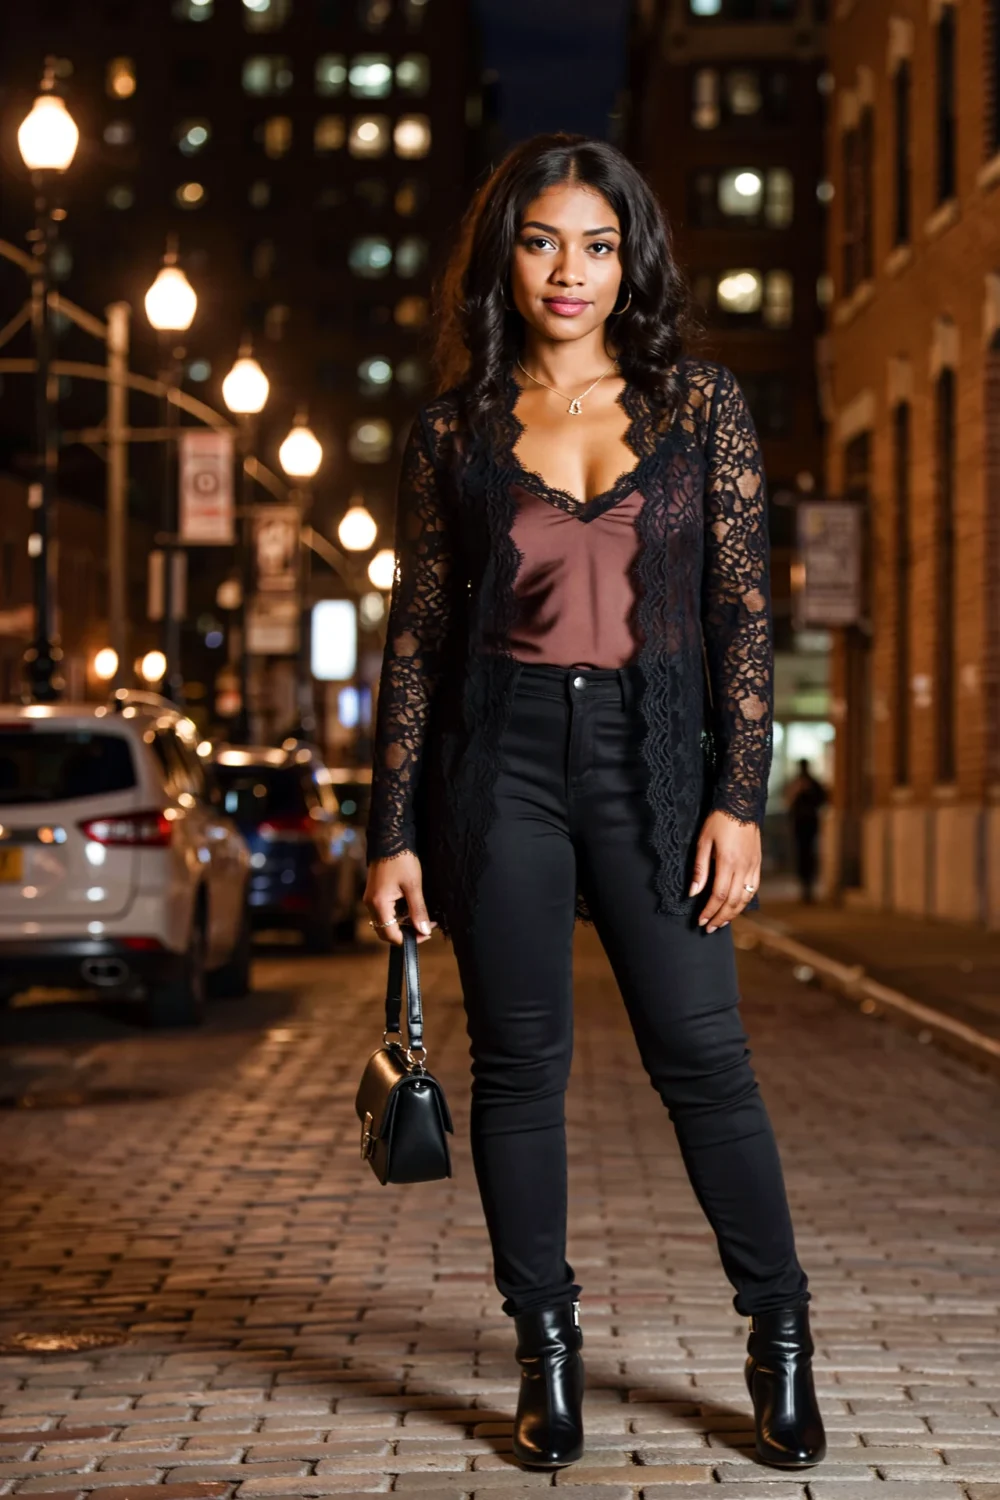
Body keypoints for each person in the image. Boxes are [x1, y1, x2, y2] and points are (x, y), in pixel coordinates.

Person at [363, 134, 826, 1474]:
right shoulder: (451, 431)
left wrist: (738, 795)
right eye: (542, 242)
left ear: (633, 262)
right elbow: (418, 638)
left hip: (651, 762)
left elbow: (742, 611)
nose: (570, 271)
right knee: (519, 1070)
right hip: (498, 766)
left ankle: (780, 1335)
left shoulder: (699, 407)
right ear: (503, 259)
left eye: (598, 245)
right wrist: (391, 832)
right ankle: (545, 1350)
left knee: (705, 1060)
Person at [784, 758, 828, 903]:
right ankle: (804, 886)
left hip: (810, 824)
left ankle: (809, 886)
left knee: (809, 855)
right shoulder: (795, 783)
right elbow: (789, 802)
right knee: (801, 855)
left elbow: (822, 799)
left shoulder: (813, 784)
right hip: (799, 824)